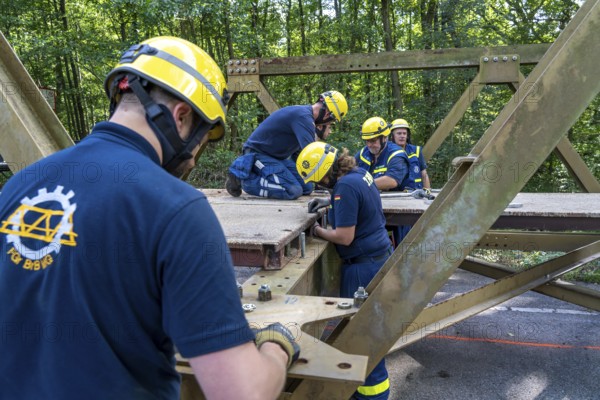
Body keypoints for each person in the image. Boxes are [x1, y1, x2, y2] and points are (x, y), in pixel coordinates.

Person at [0, 36, 299, 400]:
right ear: (181, 116)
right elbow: (242, 392)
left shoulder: (20, 185)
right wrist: (276, 347)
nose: (193, 158)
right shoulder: (178, 208)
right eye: (201, 140)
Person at [297, 142, 392, 400]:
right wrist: (329, 204)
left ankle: (370, 395)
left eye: (320, 180)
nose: (322, 185)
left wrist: (315, 230)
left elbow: (344, 236)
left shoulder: (345, 186)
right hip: (376, 258)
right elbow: (358, 206)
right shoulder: (359, 174)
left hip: (362, 268)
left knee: (361, 338)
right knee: (369, 333)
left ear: (327, 172)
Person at [226, 90, 348, 199]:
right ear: (327, 114)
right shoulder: (303, 117)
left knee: (307, 188)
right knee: (293, 191)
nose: (329, 126)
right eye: (331, 122)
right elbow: (314, 156)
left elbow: (300, 154)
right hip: (257, 154)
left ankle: (262, 176)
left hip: (276, 158)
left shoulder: (304, 117)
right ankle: (245, 181)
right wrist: (332, 181)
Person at [354, 116, 409, 192]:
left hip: (396, 200)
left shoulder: (397, 154)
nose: (369, 145)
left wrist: (360, 185)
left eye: (373, 141)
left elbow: (392, 181)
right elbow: (348, 168)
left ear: (384, 138)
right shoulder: (364, 152)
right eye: (367, 141)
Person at [389, 118, 432, 196]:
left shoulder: (416, 150)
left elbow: (424, 175)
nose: (402, 136)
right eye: (399, 133)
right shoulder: (387, 152)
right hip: (397, 196)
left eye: (404, 133)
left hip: (417, 194)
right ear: (392, 136)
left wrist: (428, 192)